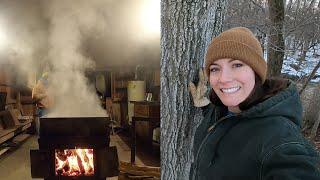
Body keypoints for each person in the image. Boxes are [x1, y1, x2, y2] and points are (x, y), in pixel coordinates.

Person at [189, 27, 320, 180]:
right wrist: (206, 106)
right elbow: (228, 123)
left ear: (256, 72)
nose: (223, 78)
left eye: (237, 65)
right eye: (215, 69)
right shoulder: (223, 109)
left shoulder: (280, 140)